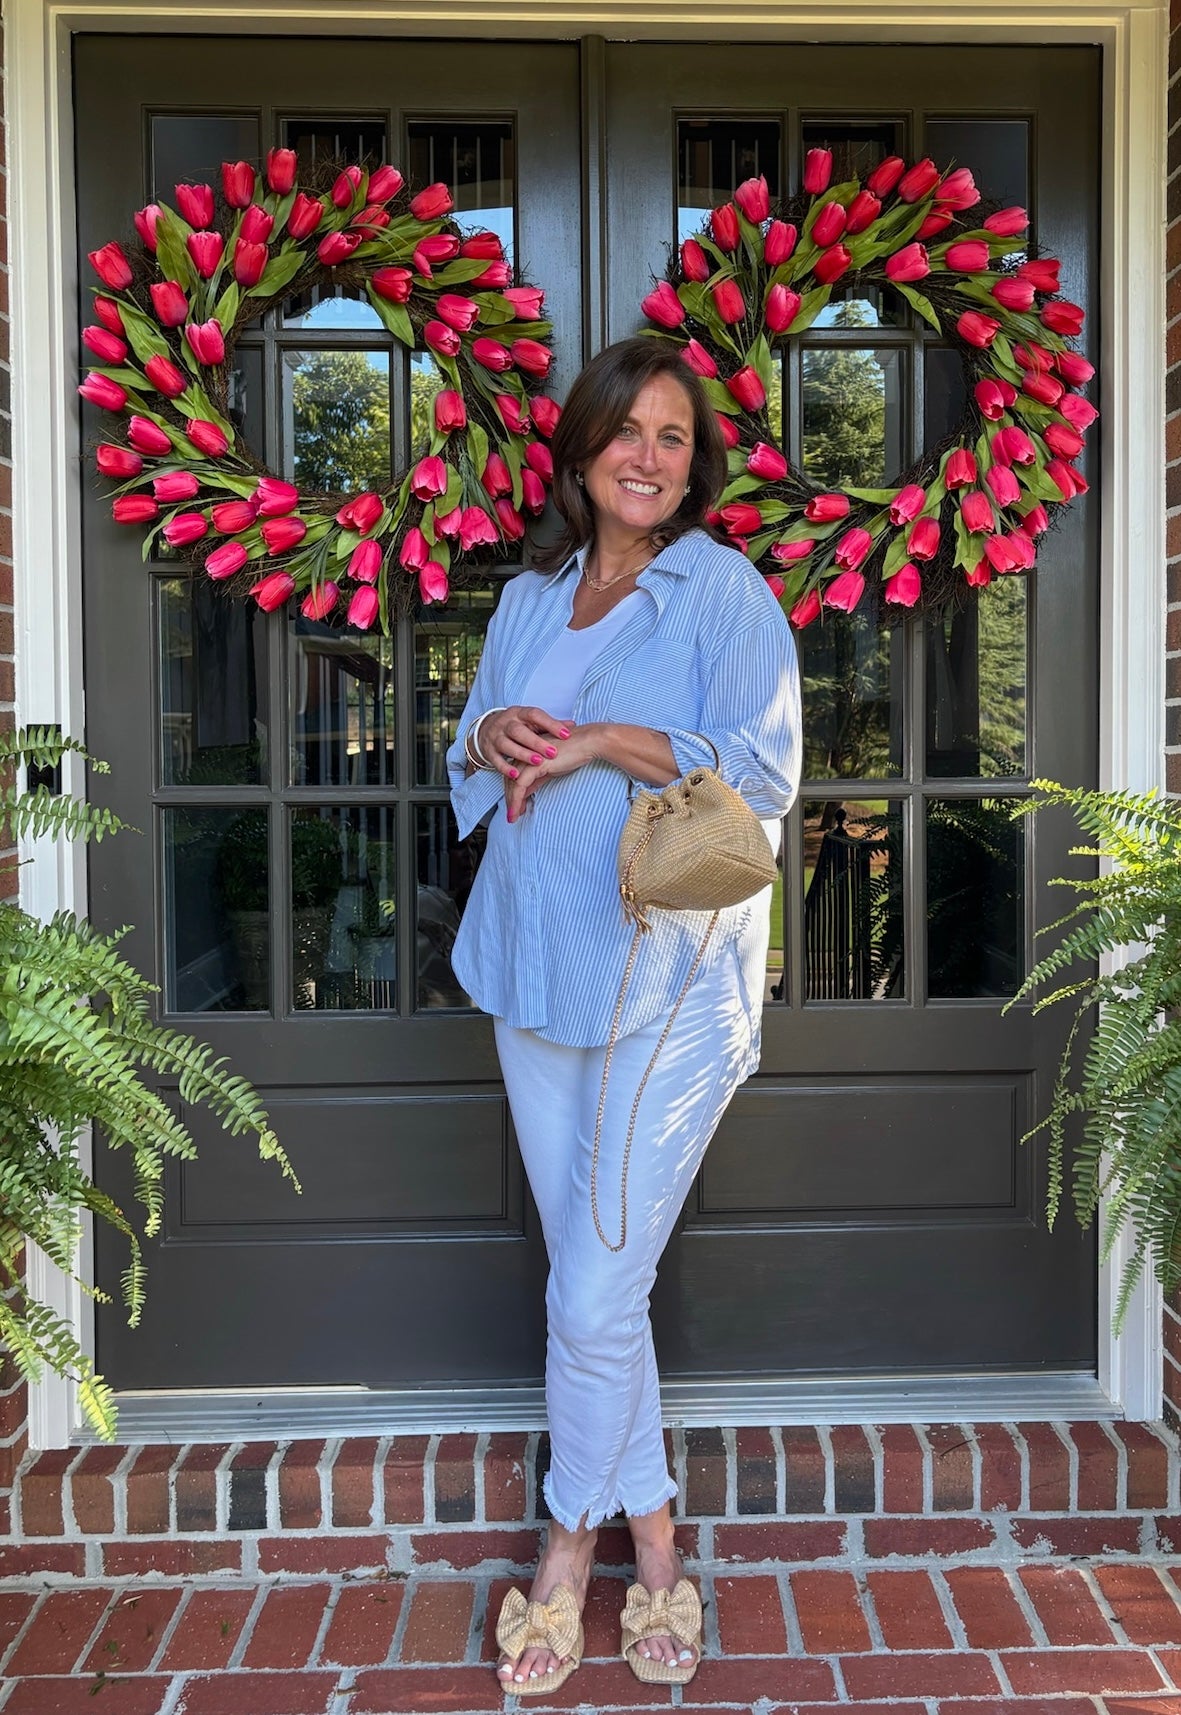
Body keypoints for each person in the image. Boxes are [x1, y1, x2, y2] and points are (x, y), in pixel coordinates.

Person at [446, 336, 801, 1695]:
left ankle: (567, 1554)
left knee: (592, 1283)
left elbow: (763, 767)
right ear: (584, 451)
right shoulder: (533, 594)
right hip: (534, 974)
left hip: (668, 988)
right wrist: (488, 740)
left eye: (671, 435)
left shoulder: (721, 591)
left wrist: (602, 741)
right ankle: (660, 1546)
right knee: (600, 1292)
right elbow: (471, 739)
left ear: (690, 461)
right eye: (626, 432)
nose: (649, 455)